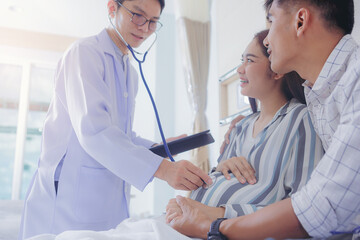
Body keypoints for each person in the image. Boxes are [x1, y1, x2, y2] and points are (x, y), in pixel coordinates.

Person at [18, 0, 212, 239]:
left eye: (153, 22)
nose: (145, 28)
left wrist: (157, 149)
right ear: (112, 8)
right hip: (70, 194)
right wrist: (163, 169)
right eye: (138, 15)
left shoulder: (128, 71)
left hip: (104, 196)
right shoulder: (85, 53)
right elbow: (94, 131)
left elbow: (122, 135)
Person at [169, 0, 360, 239]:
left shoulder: (347, 88)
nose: (267, 40)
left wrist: (213, 224)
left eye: (271, 20)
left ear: (300, 21)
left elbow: (319, 209)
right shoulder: (317, 96)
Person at [165, 29, 323, 225]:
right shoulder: (240, 127)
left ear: (277, 69)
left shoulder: (300, 120)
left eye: (250, 60)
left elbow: (303, 206)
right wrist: (218, 170)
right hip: (193, 221)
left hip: (221, 227)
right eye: (242, 60)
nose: (240, 69)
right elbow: (214, 180)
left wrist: (215, 213)